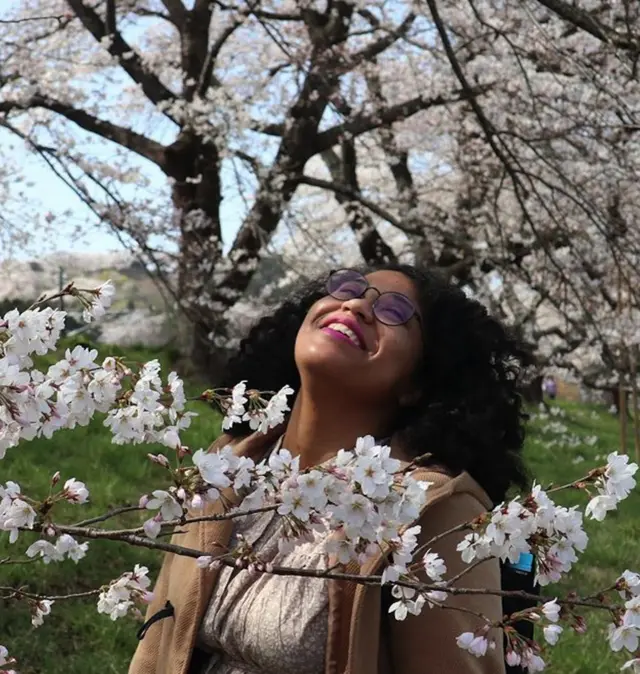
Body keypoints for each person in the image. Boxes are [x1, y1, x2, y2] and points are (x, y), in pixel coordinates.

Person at [129, 264, 531, 674]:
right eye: (347, 288)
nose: (356, 304)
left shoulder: (428, 508)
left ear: (417, 384)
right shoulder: (227, 463)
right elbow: (156, 642)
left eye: (394, 311)